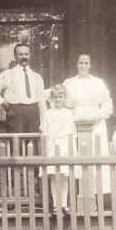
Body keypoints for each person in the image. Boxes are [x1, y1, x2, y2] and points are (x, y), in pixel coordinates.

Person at [63, 53, 114, 201]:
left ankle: (97, 197)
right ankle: (80, 195)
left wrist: (99, 115)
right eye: (81, 63)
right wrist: (72, 117)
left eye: (86, 63)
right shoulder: (69, 83)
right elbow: (63, 102)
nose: (83, 66)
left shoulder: (98, 82)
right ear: (76, 64)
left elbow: (107, 103)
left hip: (96, 123)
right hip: (76, 122)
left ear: (91, 65)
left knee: (96, 155)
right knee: (79, 156)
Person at [0, 43, 46, 133]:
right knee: (16, 144)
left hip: (34, 114)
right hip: (16, 114)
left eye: (26, 54)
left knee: (33, 144)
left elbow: (41, 101)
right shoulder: (8, 74)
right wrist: (3, 102)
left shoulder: (36, 77)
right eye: (20, 54)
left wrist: (43, 122)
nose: (23, 57)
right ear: (15, 56)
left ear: (30, 55)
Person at [40, 84, 77, 213]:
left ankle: (64, 204)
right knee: (54, 176)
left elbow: (72, 132)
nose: (58, 99)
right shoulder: (48, 113)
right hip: (52, 145)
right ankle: (56, 204)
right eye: (55, 97)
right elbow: (44, 130)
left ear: (64, 98)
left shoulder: (68, 113)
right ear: (52, 98)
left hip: (64, 144)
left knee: (64, 176)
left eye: (61, 96)